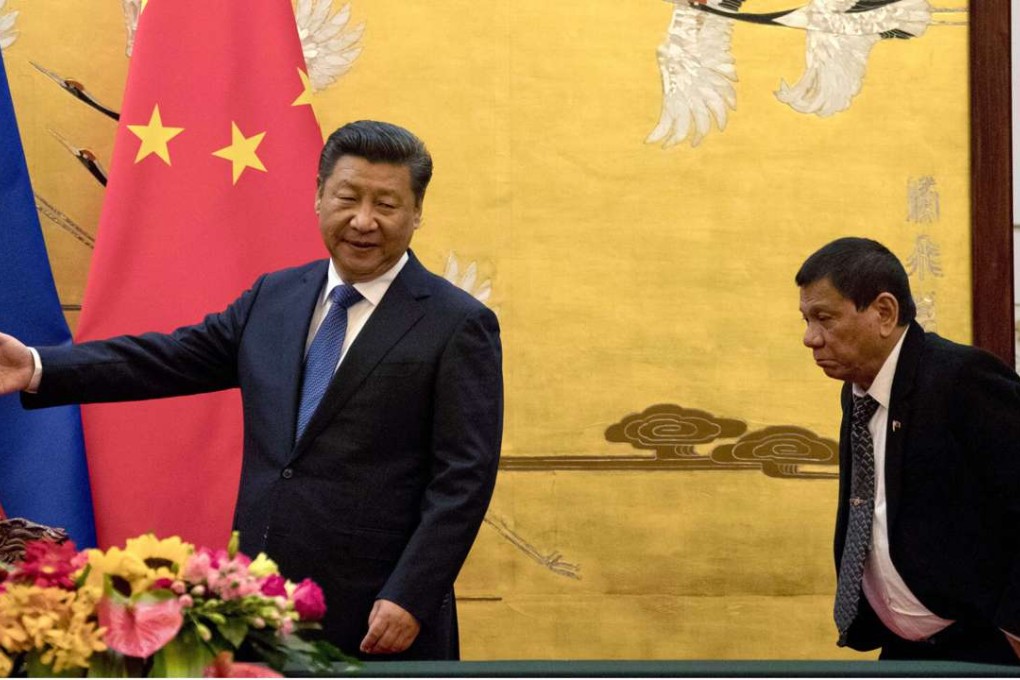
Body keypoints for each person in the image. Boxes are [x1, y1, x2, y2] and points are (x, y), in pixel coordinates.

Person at [0, 120, 503, 660]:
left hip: (380, 615)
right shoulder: (276, 297)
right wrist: (35, 366)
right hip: (262, 606)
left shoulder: (456, 323)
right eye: (347, 198)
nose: (363, 220)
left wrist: (411, 594)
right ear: (319, 196)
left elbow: (463, 478)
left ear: (416, 212)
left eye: (386, 204)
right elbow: (168, 358)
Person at [796, 236, 1020, 664]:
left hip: (982, 648)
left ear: (884, 312)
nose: (810, 338)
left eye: (824, 318)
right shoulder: (857, 391)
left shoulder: (962, 379)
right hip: (902, 648)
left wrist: (1015, 627)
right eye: (806, 320)